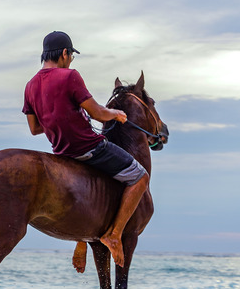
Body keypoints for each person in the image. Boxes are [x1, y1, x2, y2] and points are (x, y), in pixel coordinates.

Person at [22, 31, 149, 266]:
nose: (70, 61)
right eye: (70, 56)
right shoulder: (70, 76)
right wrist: (117, 114)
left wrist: (58, 117)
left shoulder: (30, 86)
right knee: (140, 177)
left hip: (61, 152)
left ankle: (82, 240)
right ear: (64, 53)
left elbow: (34, 128)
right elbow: (98, 113)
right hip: (89, 148)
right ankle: (114, 235)